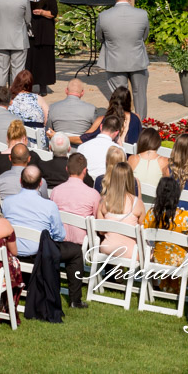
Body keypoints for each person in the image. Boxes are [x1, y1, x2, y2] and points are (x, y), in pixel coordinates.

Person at [48, 152, 95, 307]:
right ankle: (75, 299)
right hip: (78, 245)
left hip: (57, 242)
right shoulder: (93, 194)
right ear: (85, 171)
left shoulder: (56, 191)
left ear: (67, 169)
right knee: (76, 253)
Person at [95, 0, 151, 116]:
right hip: (137, 59)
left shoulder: (103, 16)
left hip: (115, 61)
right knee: (140, 94)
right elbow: (145, 36)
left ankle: (122, 121)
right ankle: (140, 123)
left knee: (120, 95)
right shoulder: (142, 14)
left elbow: (99, 37)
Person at [143, 176, 188, 287]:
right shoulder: (185, 217)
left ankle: (159, 284)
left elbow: (144, 235)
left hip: (157, 259)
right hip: (180, 262)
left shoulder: (151, 214)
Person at [95, 160, 144, 257]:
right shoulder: (138, 203)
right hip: (130, 253)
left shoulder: (103, 201)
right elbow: (143, 231)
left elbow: (101, 230)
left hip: (107, 248)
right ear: (130, 179)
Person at [24, 0, 59, 93]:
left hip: (44, 31)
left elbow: (54, 12)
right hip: (29, 31)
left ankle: (43, 86)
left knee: (43, 60)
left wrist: (43, 12)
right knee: (29, 59)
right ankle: (27, 85)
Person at [77, 110, 123, 181]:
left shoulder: (82, 146)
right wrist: (120, 145)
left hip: (85, 184)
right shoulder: (119, 151)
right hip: (105, 187)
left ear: (101, 127)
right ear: (116, 133)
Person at [7, 69, 49, 147]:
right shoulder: (39, 98)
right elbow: (47, 120)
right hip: (37, 143)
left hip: (15, 141)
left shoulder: (10, 99)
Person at [129, 127, 170, 191]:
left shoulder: (133, 159)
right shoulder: (164, 161)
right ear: (157, 142)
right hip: (155, 200)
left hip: (135, 199)